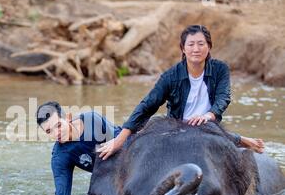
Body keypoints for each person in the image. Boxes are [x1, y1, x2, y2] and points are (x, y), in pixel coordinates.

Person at [98, 25, 264, 160]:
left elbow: (223, 98)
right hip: (176, 126)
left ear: (209, 46)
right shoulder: (171, 76)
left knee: (210, 131)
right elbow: (148, 105)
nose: (196, 49)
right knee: (152, 126)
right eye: (190, 44)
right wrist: (120, 140)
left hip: (208, 125)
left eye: (201, 44)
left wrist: (207, 116)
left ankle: (240, 140)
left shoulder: (220, 69)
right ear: (183, 49)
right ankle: (241, 139)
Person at [36, 101, 121, 195]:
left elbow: (122, 144)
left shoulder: (92, 121)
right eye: (49, 131)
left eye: (59, 125)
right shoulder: (60, 157)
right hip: (107, 176)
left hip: (128, 155)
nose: (56, 134)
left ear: (68, 118)